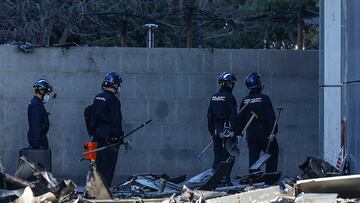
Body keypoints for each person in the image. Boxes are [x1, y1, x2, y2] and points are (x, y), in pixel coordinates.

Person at [238, 72, 279, 173]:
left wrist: (239, 133)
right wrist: (273, 132)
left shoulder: (245, 100)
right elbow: (271, 117)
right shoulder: (264, 99)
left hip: (251, 135)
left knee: (253, 157)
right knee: (273, 152)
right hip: (265, 134)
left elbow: (240, 119)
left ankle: (254, 179)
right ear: (258, 84)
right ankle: (270, 177)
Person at [91, 72, 123, 187]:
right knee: (107, 170)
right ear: (115, 85)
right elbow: (116, 121)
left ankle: (96, 191)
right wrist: (119, 137)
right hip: (109, 141)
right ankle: (104, 193)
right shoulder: (114, 100)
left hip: (97, 139)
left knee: (97, 169)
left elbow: (92, 118)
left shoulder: (97, 97)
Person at [207, 72, 238, 185]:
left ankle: (214, 178)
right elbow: (233, 116)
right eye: (231, 83)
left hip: (216, 130)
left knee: (217, 155)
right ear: (227, 84)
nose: (232, 85)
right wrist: (235, 132)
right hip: (227, 131)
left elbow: (209, 115)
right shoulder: (230, 97)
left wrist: (211, 130)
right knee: (229, 155)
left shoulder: (214, 97)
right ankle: (225, 178)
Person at [27, 79, 53, 149]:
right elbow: (36, 125)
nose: (47, 95)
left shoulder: (37, 103)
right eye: (47, 93)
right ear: (41, 91)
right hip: (39, 145)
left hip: (40, 142)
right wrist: (36, 146)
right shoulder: (36, 104)